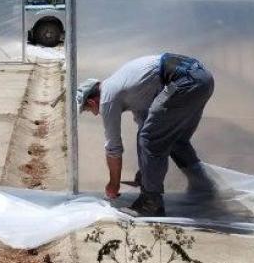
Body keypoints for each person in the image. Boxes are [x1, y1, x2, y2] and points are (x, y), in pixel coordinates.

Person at [77, 53, 215, 216]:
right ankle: (203, 187)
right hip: (202, 78)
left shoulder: (107, 98)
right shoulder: (126, 86)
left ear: (92, 101)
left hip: (184, 82)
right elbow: (146, 127)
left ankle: (151, 203)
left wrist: (113, 184)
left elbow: (114, 148)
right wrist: (145, 171)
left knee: (151, 139)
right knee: (174, 139)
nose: (93, 114)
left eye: (88, 109)